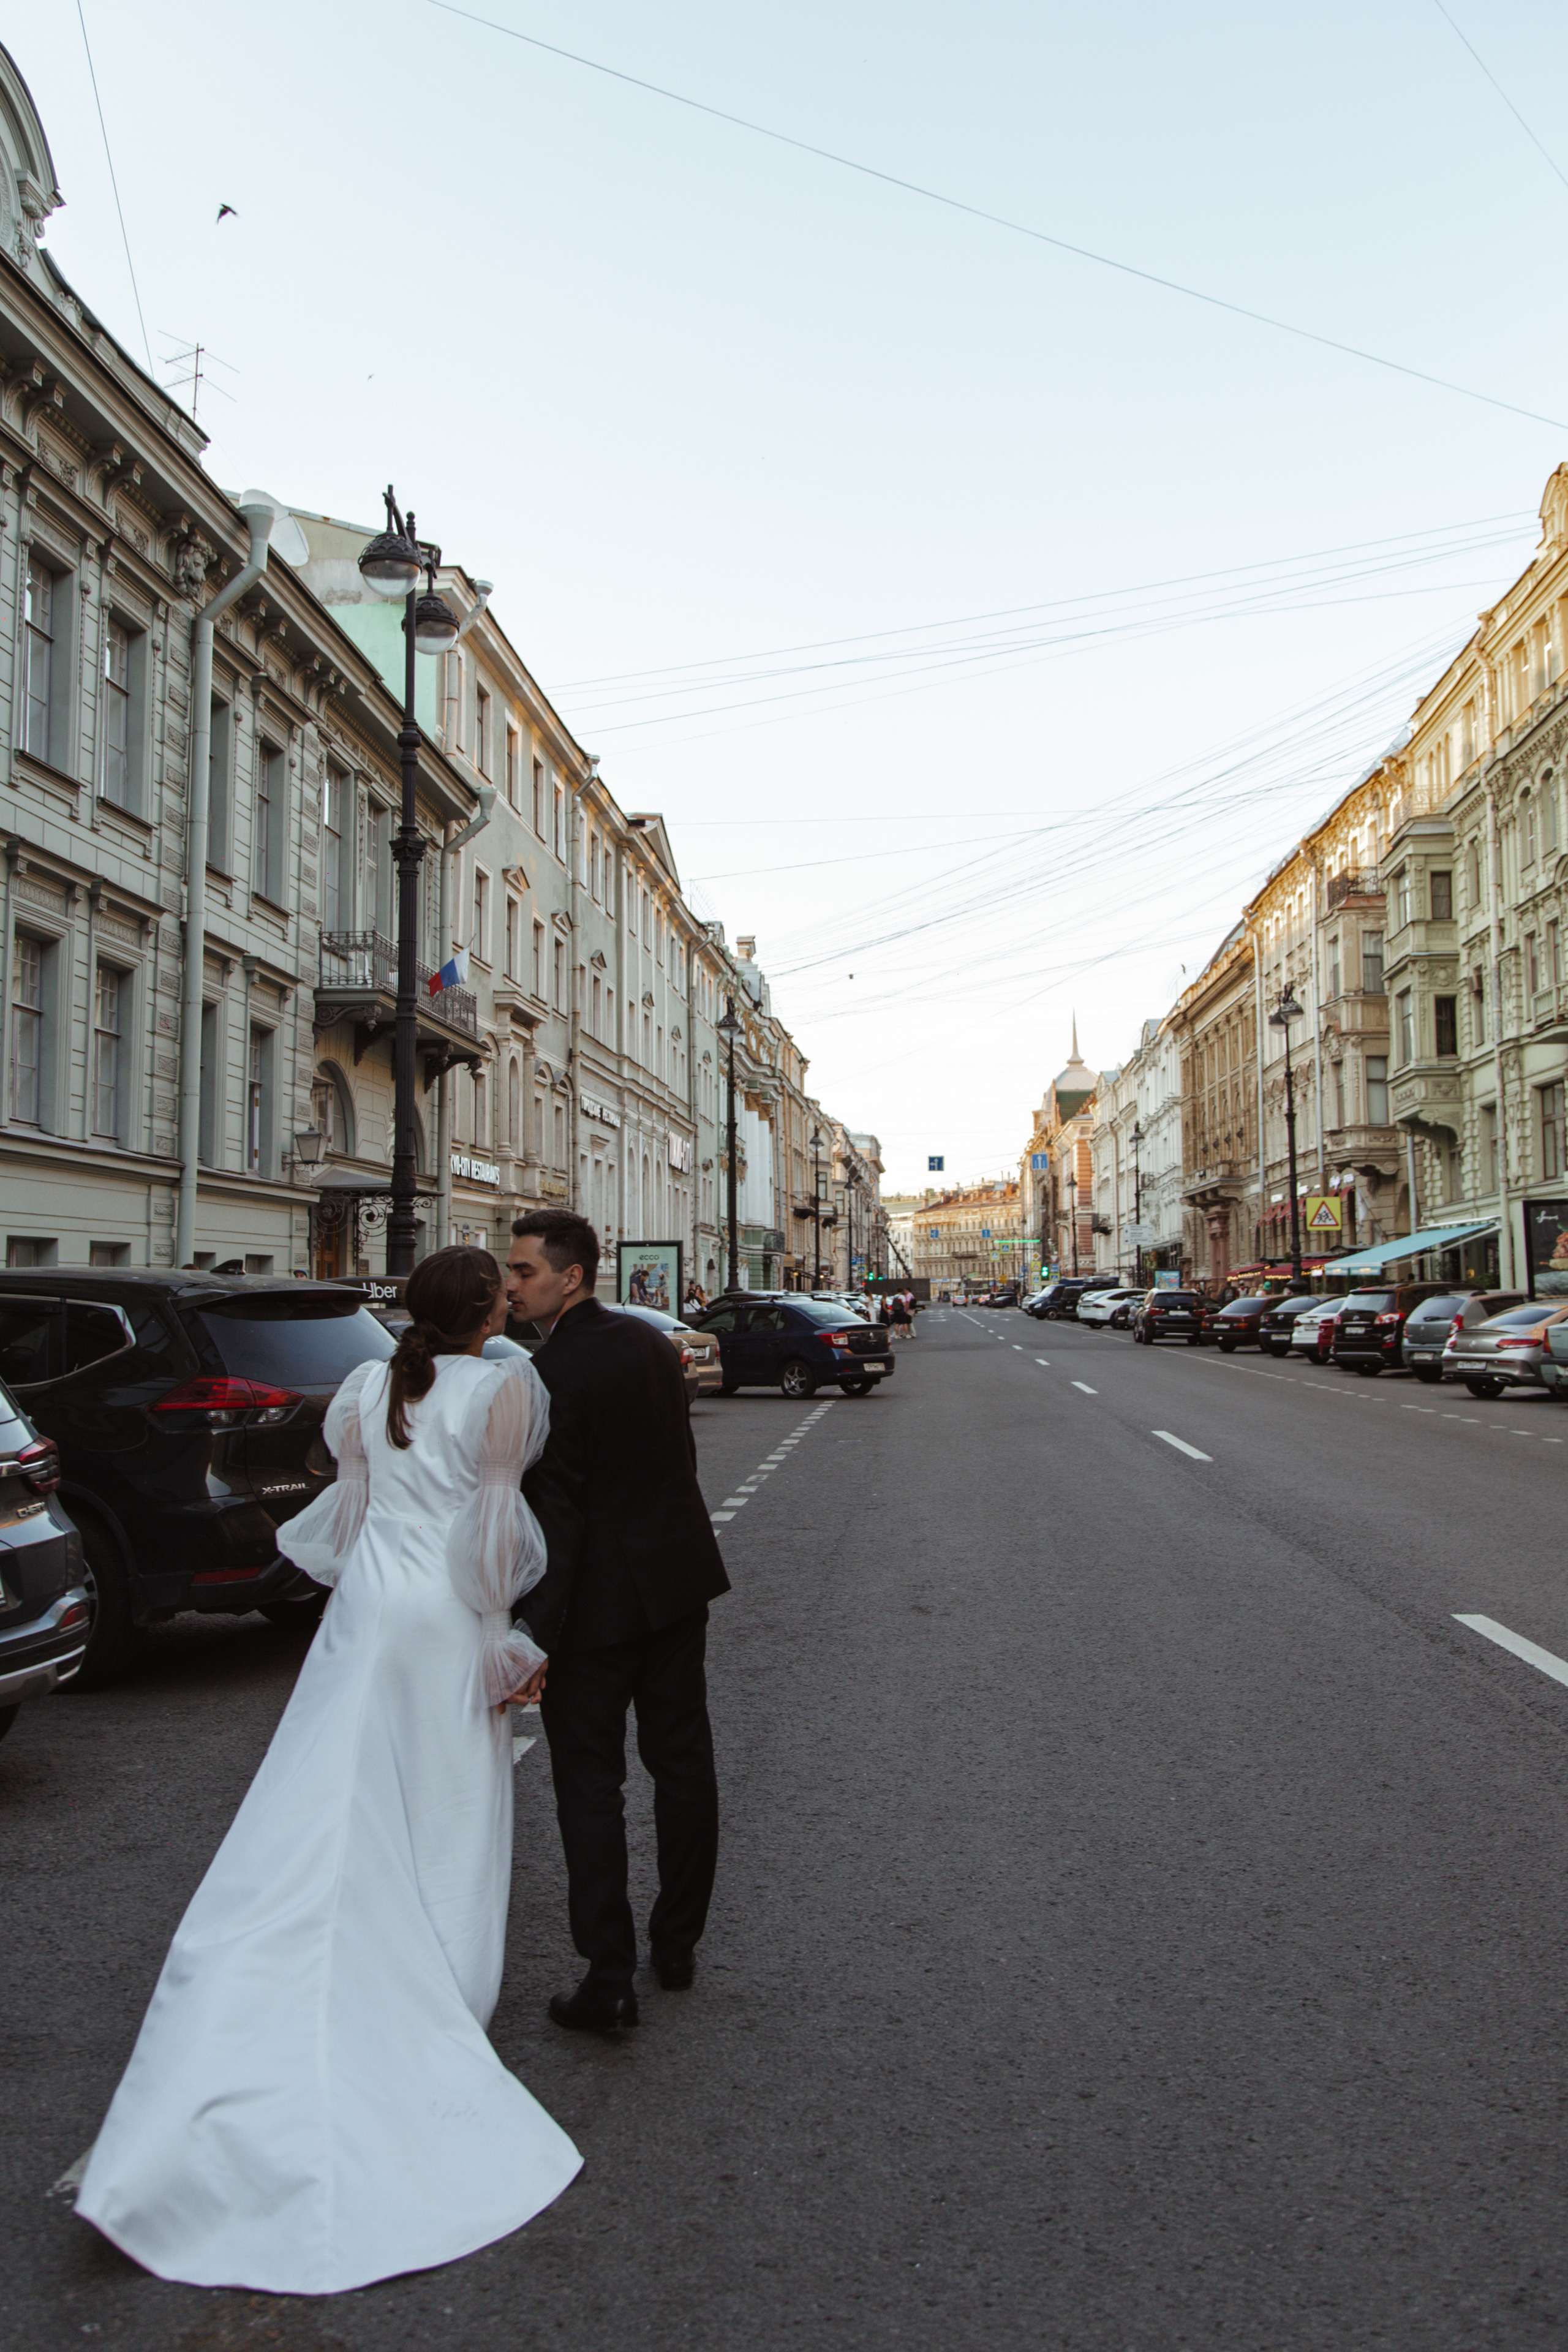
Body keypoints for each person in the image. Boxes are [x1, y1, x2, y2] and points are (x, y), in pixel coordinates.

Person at [74, 1246, 580, 2294]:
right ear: (487, 1309)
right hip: (443, 1620)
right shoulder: (507, 1383)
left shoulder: (363, 1386)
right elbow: (492, 1530)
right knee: (450, 1807)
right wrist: (506, 1639)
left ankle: (316, 1948)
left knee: (331, 1789)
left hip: (365, 1614)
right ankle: (441, 1991)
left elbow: (347, 1522)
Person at [507, 1209, 730, 2035]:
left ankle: (608, 1974)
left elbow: (558, 1512)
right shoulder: (645, 1341)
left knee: (589, 1787)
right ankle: (676, 1945)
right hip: (675, 1587)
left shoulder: (550, 1370)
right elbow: (678, 1459)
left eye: (525, 1270)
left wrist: (536, 1630)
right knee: (684, 1764)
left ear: (570, 1276)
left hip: (596, 1610)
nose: (511, 1283)